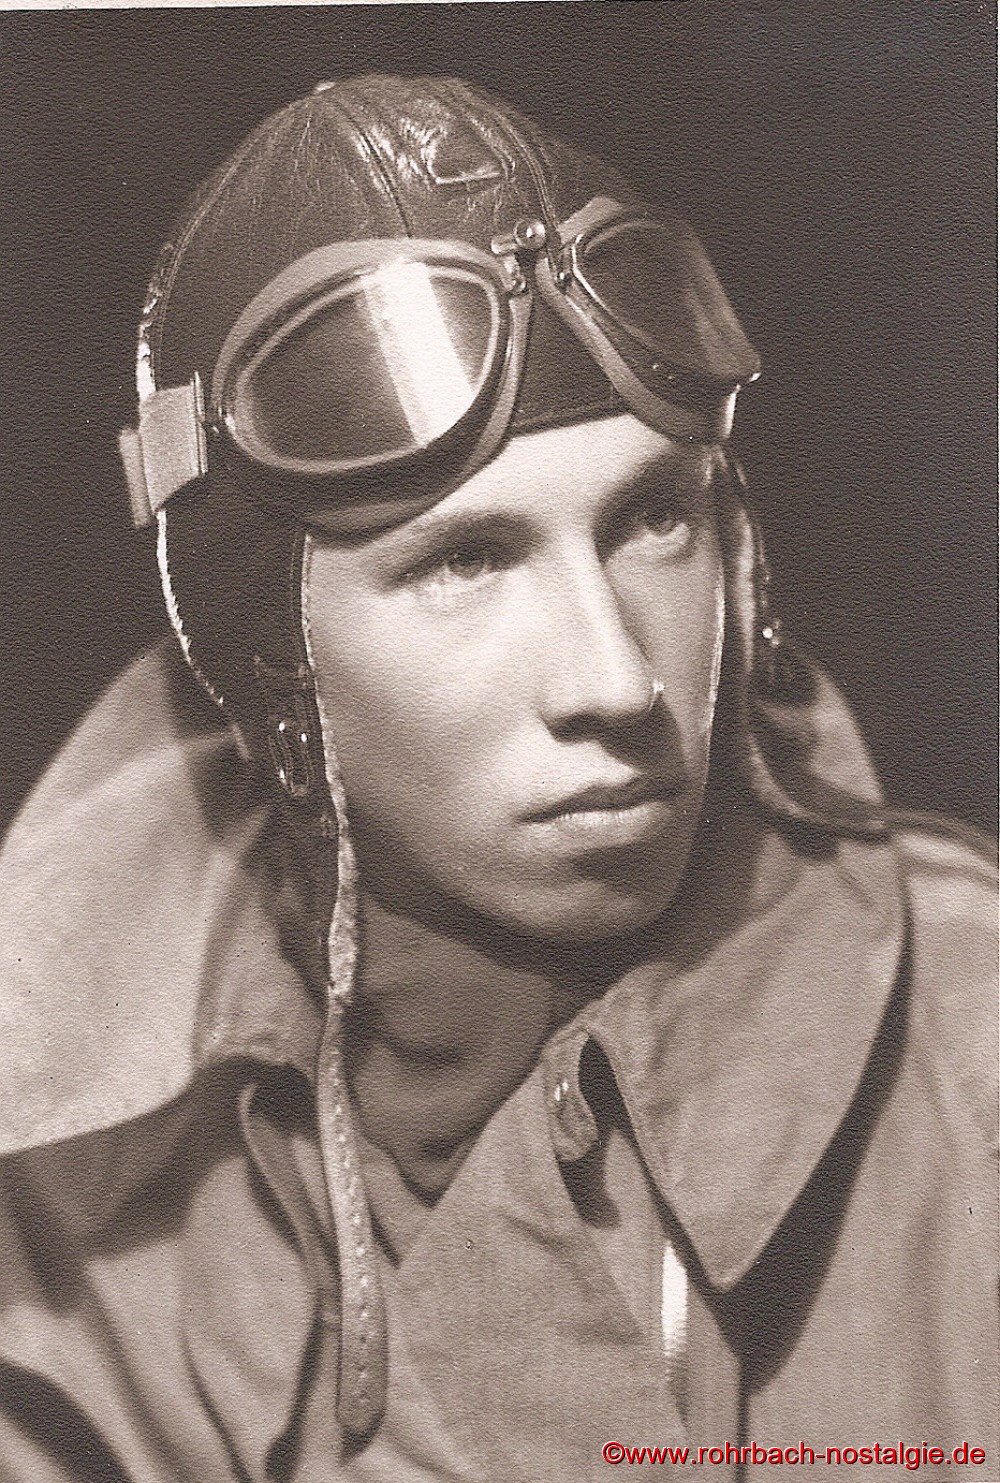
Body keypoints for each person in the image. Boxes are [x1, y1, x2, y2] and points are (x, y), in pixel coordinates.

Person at [0, 74, 994, 1483]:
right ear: (270, 662)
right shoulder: (57, 1203)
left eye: (652, 521)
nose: (618, 681)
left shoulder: (974, 1056)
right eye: (466, 559)